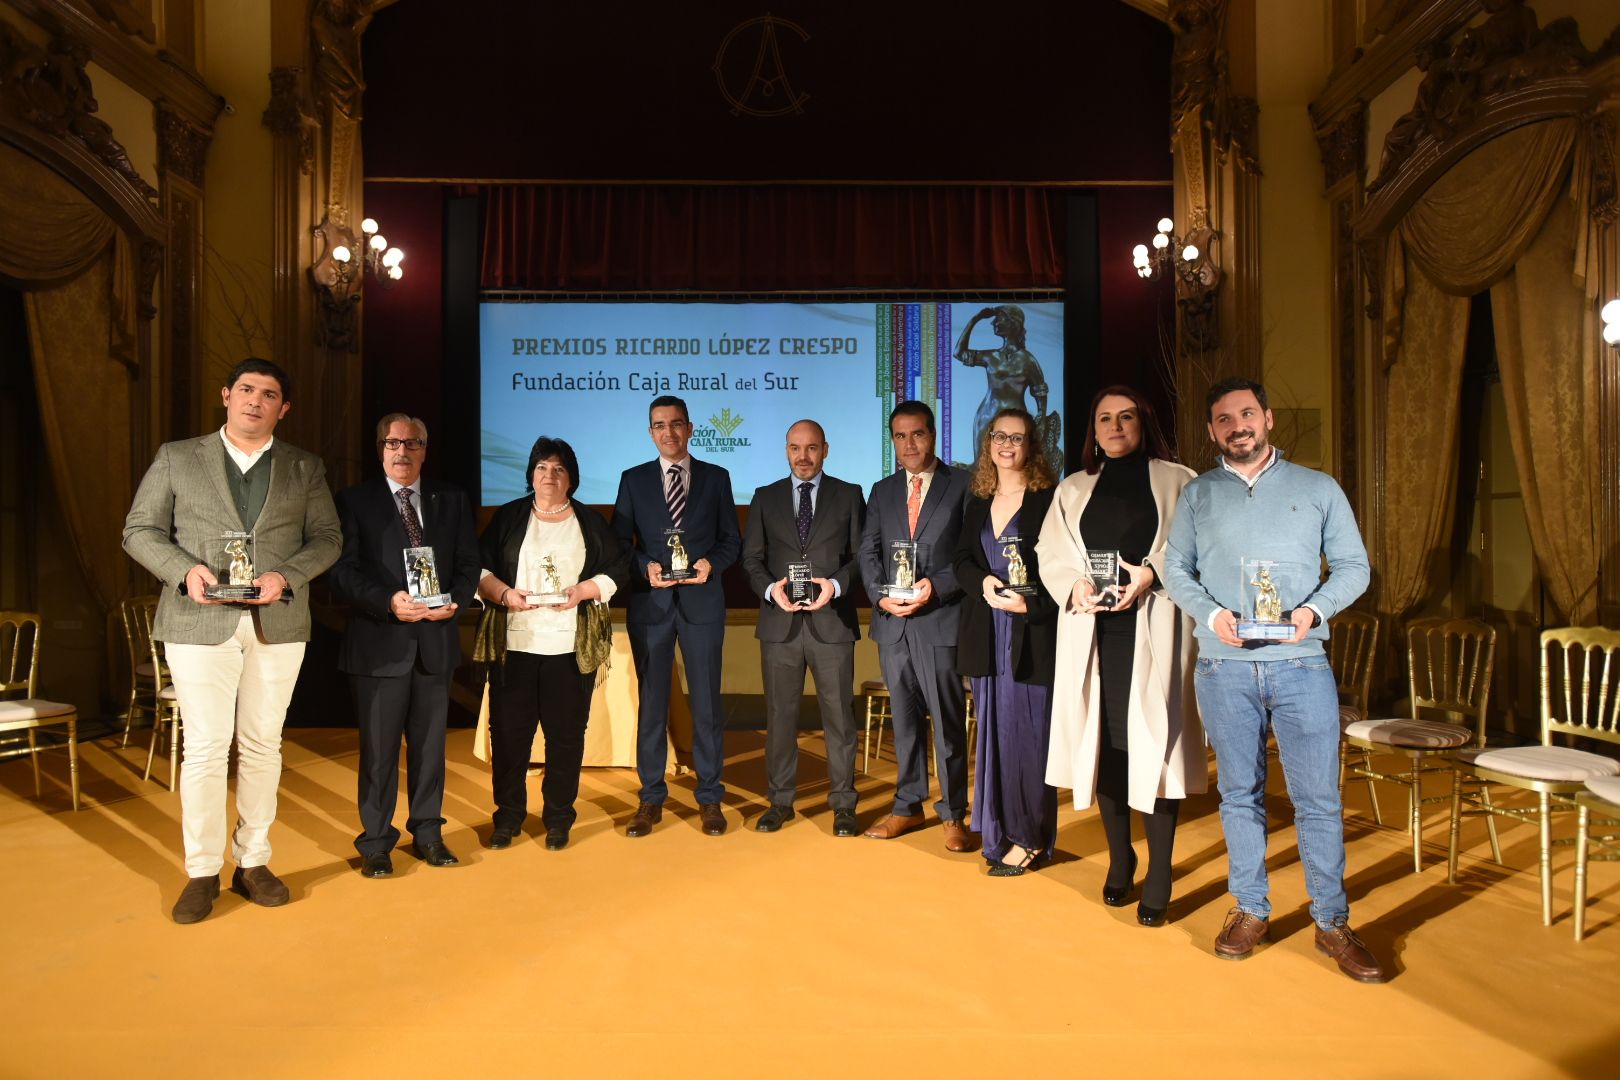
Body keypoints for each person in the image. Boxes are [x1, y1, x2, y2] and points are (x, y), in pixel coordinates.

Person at [1160, 376, 1384, 982]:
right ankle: (1251, 908)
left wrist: (1313, 612)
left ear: (1268, 418)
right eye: (1225, 419)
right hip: (1221, 665)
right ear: (1212, 431)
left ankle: (1332, 922)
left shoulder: (1318, 489)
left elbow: (1355, 567)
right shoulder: (1200, 496)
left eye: (1247, 414)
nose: (1238, 426)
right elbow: (1173, 567)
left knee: (1318, 800)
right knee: (1239, 795)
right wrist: (1211, 614)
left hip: (1302, 662)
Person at [123, 358, 342, 924]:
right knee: (205, 748)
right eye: (246, 389)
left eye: (268, 394)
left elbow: (327, 539)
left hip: (278, 623)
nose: (255, 400)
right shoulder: (177, 456)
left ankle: (254, 861)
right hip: (198, 621)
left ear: (282, 408)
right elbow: (139, 530)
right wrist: (182, 570)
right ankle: (201, 871)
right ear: (226, 395)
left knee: (264, 745)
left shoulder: (304, 467)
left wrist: (285, 577)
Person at [1036, 386, 1205, 926]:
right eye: (1104, 417)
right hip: (1093, 634)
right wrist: (1075, 586)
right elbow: (1050, 553)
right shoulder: (1075, 487)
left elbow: (1196, 546)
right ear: (1094, 429)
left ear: (1143, 422)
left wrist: (1151, 573)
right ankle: (1120, 856)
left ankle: (1160, 869)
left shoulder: (1178, 480)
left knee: (1154, 746)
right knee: (1106, 746)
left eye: (1126, 416)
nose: (1114, 426)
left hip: (1154, 626)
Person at [329, 413, 479, 877]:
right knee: (379, 752)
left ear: (424, 449)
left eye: (412, 443)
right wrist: (389, 601)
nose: (402, 451)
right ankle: (376, 843)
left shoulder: (449, 499)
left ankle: (429, 834)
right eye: (393, 443)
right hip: (379, 644)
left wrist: (452, 599)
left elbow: (469, 562)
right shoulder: (354, 501)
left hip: (434, 641)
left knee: (431, 749)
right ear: (380, 449)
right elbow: (342, 572)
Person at [476, 436, 631, 850]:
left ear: (571, 478)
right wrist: (503, 594)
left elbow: (619, 567)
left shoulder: (590, 522)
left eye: (559, 469)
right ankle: (507, 817)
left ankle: (559, 817)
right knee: (509, 737)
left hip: (568, 649)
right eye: (542, 467)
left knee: (566, 737)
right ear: (531, 475)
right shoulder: (509, 517)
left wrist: (585, 591)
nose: (550, 475)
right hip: (515, 645)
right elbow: (478, 567)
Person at [612, 396, 741, 837]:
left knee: (705, 703)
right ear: (651, 432)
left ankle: (709, 798)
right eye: (659, 426)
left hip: (702, 604)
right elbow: (619, 543)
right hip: (652, 606)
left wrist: (711, 564)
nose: (668, 432)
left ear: (690, 428)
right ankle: (650, 798)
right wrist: (643, 567)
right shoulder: (633, 480)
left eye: (676, 424)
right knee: (652, 706)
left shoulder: (716, 478)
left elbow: (731, 541)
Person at [741, 419, 867, 836]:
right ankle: (780, 802)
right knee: (780, 718)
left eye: (811, 448)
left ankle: (844, 805)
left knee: (839, 719)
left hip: (832, 624)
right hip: (781, 626)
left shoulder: (850, 495)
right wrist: (768, 590)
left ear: (825, 449)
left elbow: (861, 557)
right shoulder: (764, 497)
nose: (803, 456)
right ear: (786, 450)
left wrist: (834, 586)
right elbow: (751, 560)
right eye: (795, 448)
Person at [858, 400, 974, 850]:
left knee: (946, 721)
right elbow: (869, 550)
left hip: (938, 620)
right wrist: (878, 594)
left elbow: (970, 554)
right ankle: (906, 805)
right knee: (903, 721)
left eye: (918, 434)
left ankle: (953, 814)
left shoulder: (962, 485)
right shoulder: (883, 490)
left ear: (933, 435)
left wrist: (936, 586)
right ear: (893, 441)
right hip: (893, 623)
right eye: (901, 436)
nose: (910, 444)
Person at [952, 407, 1059, 875]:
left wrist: (1028, 604)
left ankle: (1031, 837)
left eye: (1017, 438)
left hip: (1028, 632)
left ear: (1031, 446)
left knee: (1029, 737)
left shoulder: (1048, 499)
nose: (1007, 445)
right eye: (999, 436)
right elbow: (958, 559)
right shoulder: (977, 499)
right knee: (994, 736)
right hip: (987, 630)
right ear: (988, 442)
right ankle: (997, 831)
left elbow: (1062, 570)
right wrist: (983, 584)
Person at [954, 305, 1054, 460]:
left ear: (1013, 322)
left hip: (1017, 420)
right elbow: (959, 353)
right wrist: (975, 319)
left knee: (1016, 466)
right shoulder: (991, 356)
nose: (994, 322)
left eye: (999, 318)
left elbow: (1039, 389)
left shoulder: (1027, 360)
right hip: (987, 416)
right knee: (980, 466)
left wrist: (1041, 415)